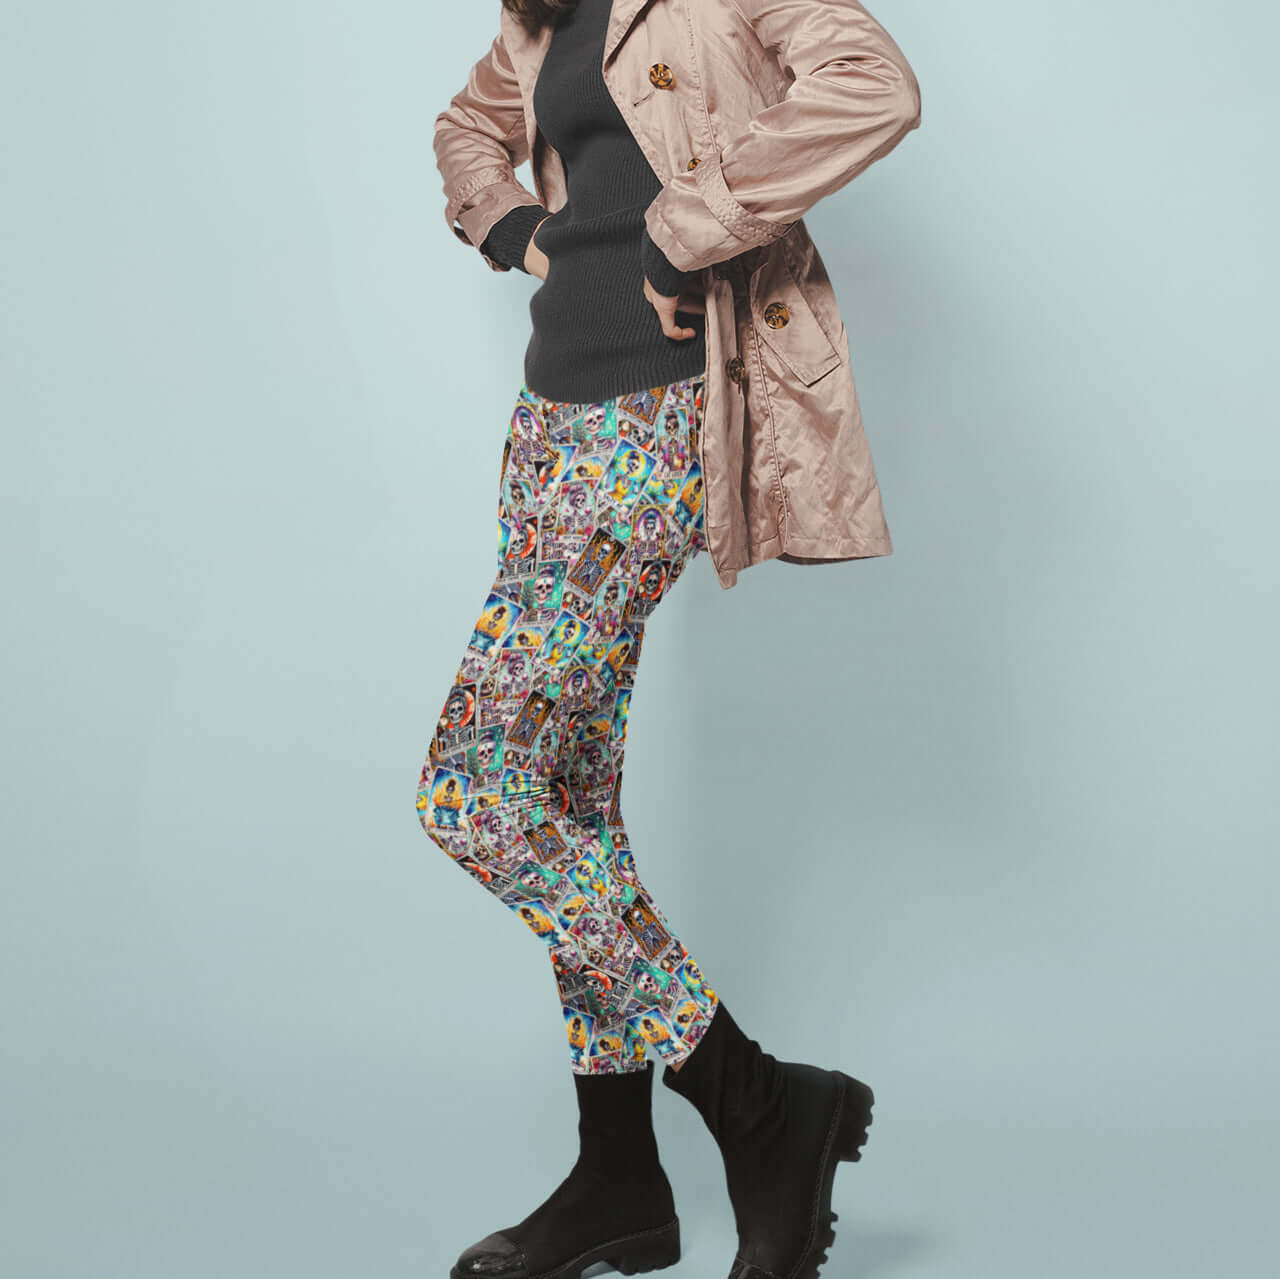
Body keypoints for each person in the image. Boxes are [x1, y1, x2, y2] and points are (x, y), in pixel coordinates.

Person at [416, 1, 920, 1276]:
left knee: (472, 794)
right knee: (562, 802)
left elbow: (871, 85)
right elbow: (467, 130)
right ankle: (618, 1180)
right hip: (549, 422)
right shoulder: (541, 16)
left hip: (653, 418)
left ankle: (754, 1099)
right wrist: (515, 226)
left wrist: (687, 227)